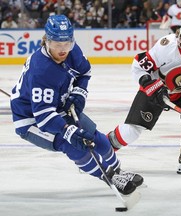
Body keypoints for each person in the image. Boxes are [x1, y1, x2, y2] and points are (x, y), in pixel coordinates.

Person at [10, 14, 143, 195]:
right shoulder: (41, 70)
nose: (63, 49)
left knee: (97, 137)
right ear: (46, 42)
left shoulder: (72, 51)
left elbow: (85, 72)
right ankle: (109, 177)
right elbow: (43, 117)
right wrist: (67, 130)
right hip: (30, 119)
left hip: (59, 106)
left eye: (67, 43)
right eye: (57, 44)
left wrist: (79, 93)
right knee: (72, 144)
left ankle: (119, 171)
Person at [108, 18, 181, 175]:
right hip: (155, 89)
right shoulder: (166, 46)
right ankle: (100, 151)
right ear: (180, 36)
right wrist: (152, 86)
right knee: (132, 131)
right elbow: (139, 66)